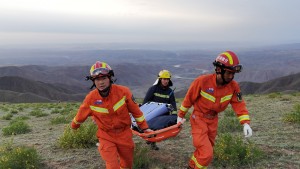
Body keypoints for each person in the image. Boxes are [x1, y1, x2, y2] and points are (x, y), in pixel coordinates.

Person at [176, 51, 253, 169]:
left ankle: (191, 166)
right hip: (199, 119)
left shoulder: (233, 86)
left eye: (233, 73)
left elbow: (239, 104)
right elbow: (188, 99)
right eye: (228, 73)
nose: (231, 76)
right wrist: (180, 116)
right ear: (218, 69)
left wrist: (245, 123)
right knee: (207, 154)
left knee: (205, 151)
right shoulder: (202, 82)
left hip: (213, 121)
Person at [71, 61, 152, 169]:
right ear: (93, 81)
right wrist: (74, 126)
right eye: (97, 79)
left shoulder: (123, 92)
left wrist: (145, 128)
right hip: (106, 136)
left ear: (110, 78)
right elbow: (80, 115)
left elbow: (136, 112)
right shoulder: (90, 98)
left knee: (127, 164)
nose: (101, 82)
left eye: (104, 78)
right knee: (112, 165)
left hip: (124, 135)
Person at [143, 69, 177, 150]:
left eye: (167, 79)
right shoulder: (153, 89)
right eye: (164, 79)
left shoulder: (170, 92)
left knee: (157, 129)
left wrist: (175, 115)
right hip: (153, 113)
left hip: (163, 115)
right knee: (152, 128)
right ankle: (151, 141)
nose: (166, 81)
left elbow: (173, 104)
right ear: (160, 79)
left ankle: (152, 141)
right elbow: (146, 102)